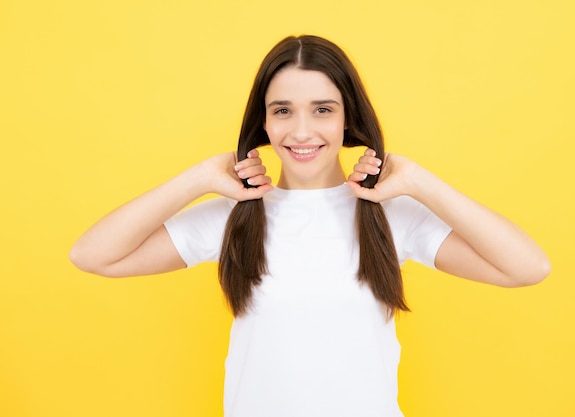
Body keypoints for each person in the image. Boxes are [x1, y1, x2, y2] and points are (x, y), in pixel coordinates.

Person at [70, 35, 550, 417]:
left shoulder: (388, 215)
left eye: (323, 109)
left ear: (348, 120)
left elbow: (528, 267)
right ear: (264, 122)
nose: (301, 132)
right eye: (283, 111)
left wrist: (421, 182)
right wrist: (198, 178)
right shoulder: (235, 216)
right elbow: (92, 255)